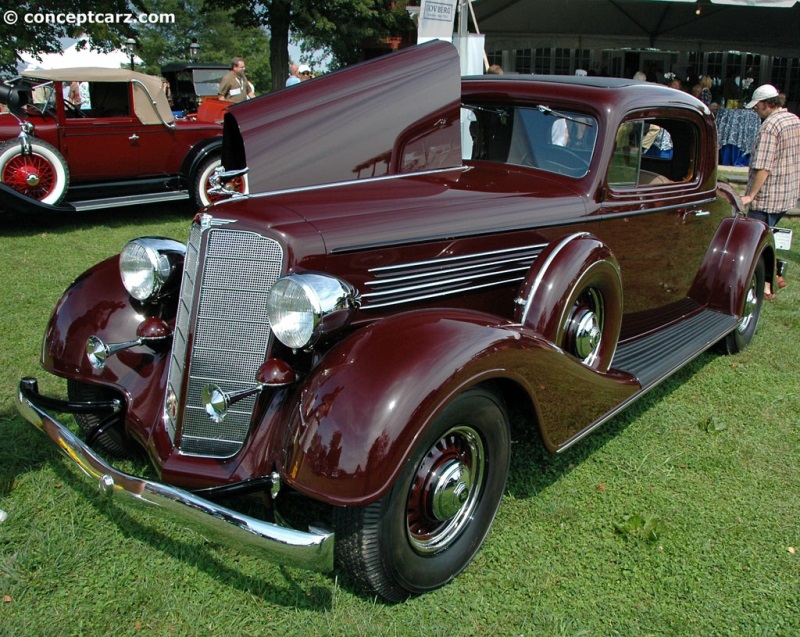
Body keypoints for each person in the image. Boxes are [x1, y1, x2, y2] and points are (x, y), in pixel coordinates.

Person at [741, 83, 800, 298]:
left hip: (769, 195)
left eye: (757, 106)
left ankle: (767, 285)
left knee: (756, 242)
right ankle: (776, 276)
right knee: (770, 236)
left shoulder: (770, 127)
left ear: (767, 104)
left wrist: (751, 195)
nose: (755, 110)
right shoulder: (793, 119)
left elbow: (763, 166)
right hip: (787, 192)